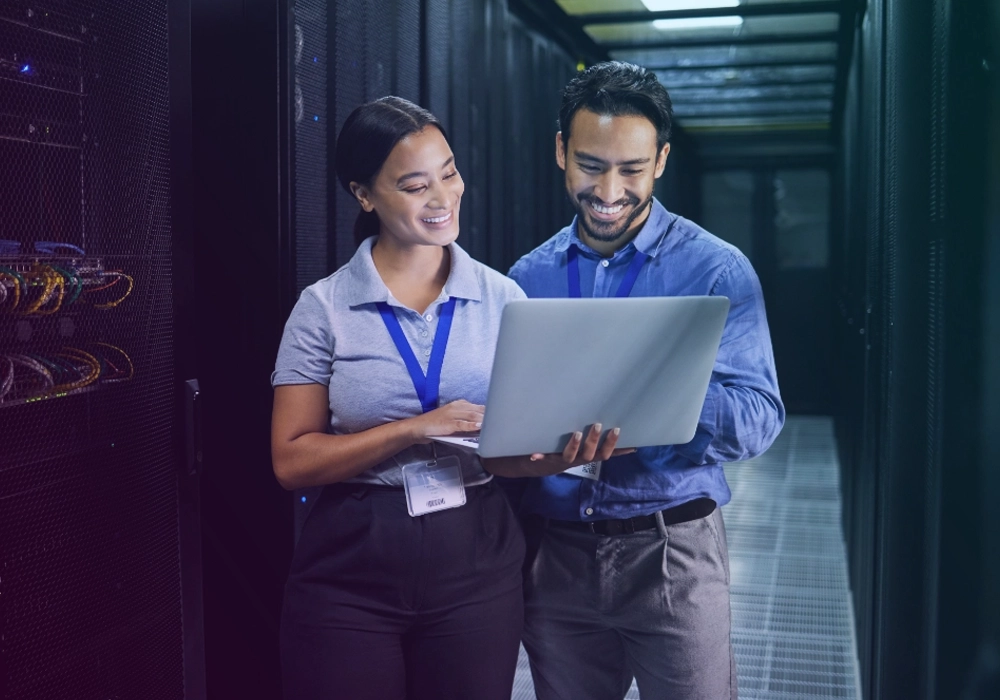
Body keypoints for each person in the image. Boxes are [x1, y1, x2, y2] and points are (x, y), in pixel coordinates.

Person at [502, 61, 786, 700]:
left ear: (660, 160)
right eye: (591, 165)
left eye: (631, 169)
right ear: (560, 152)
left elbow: (760, 416)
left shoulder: (717, 271)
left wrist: (655, 400)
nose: (609, 190)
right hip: (558, 554)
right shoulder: (525, 278)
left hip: (673, 551)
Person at [271, 96, 543, 700]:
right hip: (351, 569)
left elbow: (507, 455)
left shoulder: (506, 300)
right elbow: (291, 461)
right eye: (416, 185)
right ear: (364, 195)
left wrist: (568, 448)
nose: (443, 198)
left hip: (477, 560)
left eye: (449, 172)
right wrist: (413, 428)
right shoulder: (323, 309)